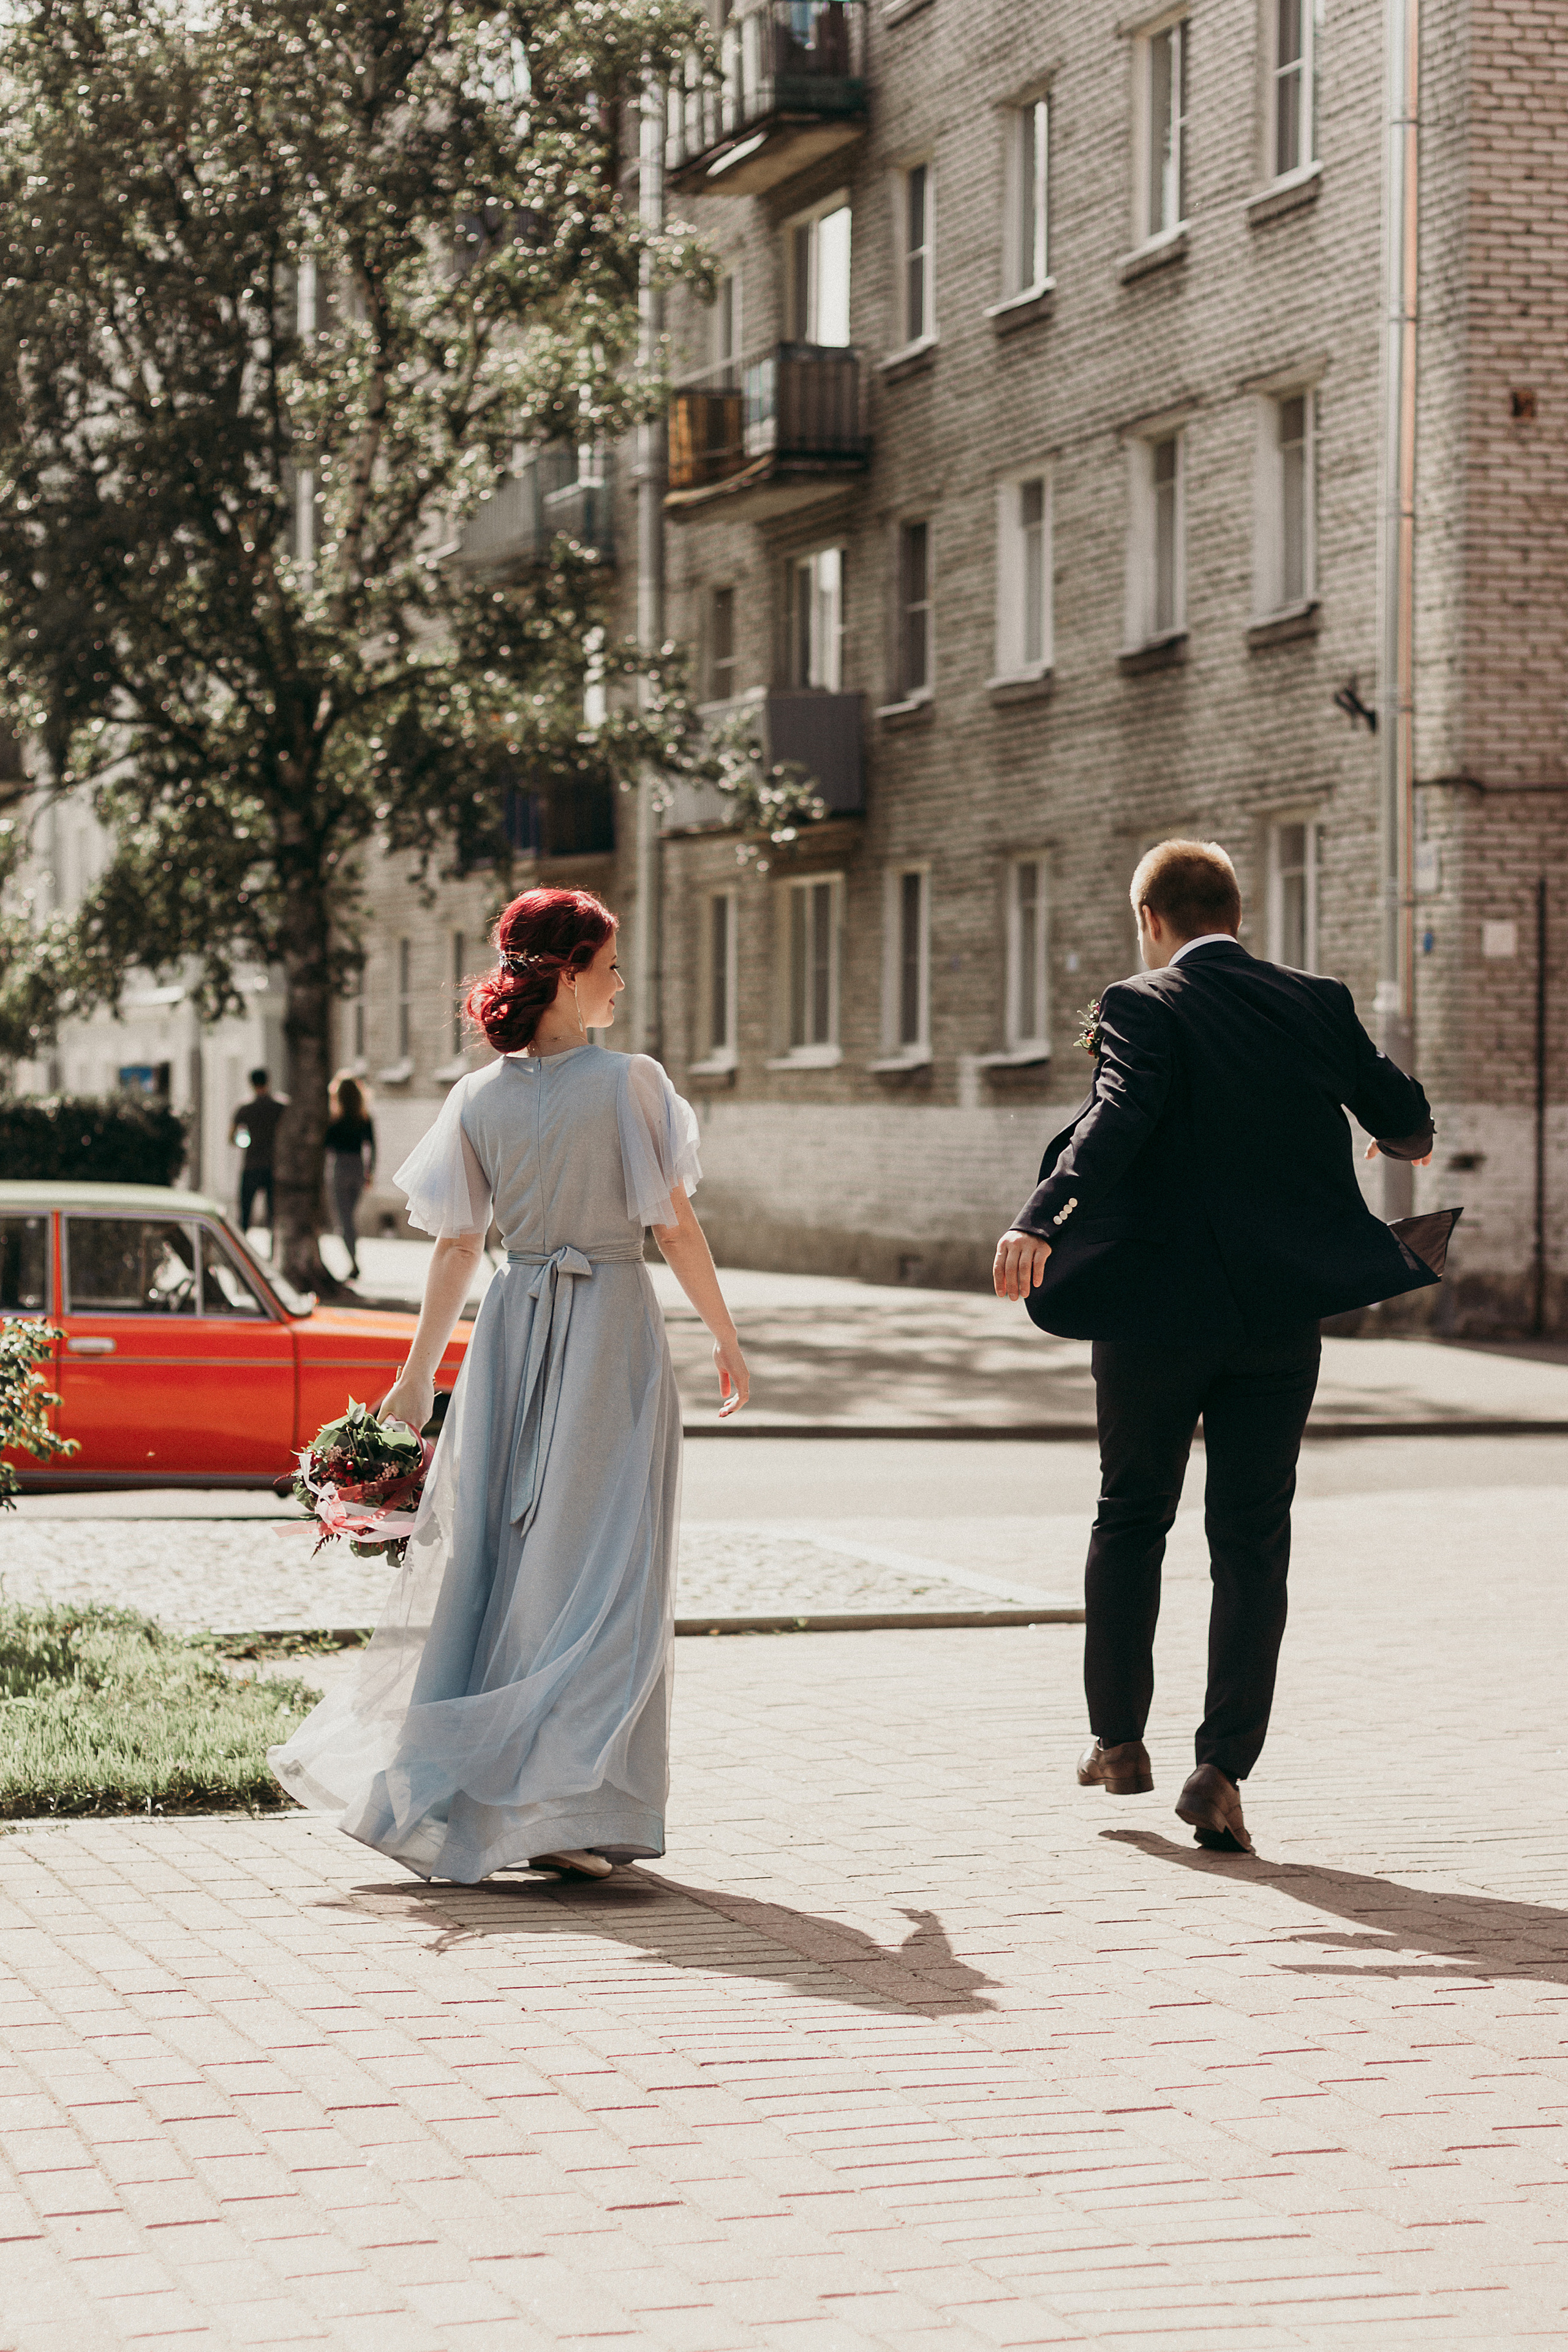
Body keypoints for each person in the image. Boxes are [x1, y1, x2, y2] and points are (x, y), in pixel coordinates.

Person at [269, 886, 750, 1885]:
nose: (621, 984)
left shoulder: (477, 1097)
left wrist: (414, 1378)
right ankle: (564, 1803)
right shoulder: (633, 1084)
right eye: (611, 966)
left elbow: (456, 1247)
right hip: (608, 1329)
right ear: (567, 973)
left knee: (501, 1566)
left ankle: (521, 1794)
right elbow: (673, 1227)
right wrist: (723, 1333)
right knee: (605, 1570)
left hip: (511, 1333)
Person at [992, 840, 1458, 1855]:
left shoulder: (1141, 1001)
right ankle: (1221, 1771)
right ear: (1236, 915)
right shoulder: (1316, 1001)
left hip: (1154, 1316)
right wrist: (1409, 1141)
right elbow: (1404, 1114)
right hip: (1278, 1320)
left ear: (1150, 918)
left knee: (1132, 1512)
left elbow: (1116, 1119)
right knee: (1252, 1539)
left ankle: (1118, 1741)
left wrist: (1042, 1217)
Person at [324, 1072, 377, 1281]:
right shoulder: (364, 1119)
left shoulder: (334, 1120)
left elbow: (326, 1147)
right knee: (350, 1219)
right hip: (357, 1167)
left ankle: (354, 1262)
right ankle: (353, 1259)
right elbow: (372, 1147)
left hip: (339, 1168)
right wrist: (369, 1172)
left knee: (344, 1220)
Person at [229, 1068, 284, 1240]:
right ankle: (274, 1253)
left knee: (245, 1215)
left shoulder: (245, 1109)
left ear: (251, 1084)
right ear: (268, 1082)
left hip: (252, 1165)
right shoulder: (281, 1107)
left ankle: (241, 1250)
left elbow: (231, 1137)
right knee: (273, 1216)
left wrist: (243, 1141)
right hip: (273, 1165)